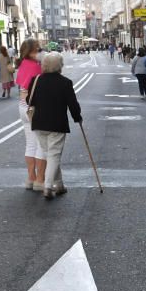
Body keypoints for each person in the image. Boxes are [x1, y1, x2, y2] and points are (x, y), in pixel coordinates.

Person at [27, 52, 83, 200]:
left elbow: (29, 100)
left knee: (50, 155)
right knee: (54, 155)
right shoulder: (65, 82)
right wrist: (77, 118)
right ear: (60, 66)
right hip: (57, 124)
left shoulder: (36, 80)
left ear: (44, 65)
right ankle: (48, 186)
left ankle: (59, 185)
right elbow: (73, 104)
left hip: (39, 123)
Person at [15, 39, 46, 191]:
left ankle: (30, 178)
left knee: (30, 144)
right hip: (34, 108)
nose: (40, 52)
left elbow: (21, 84)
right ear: (30, 51)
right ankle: (40, 181)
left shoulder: (22, 65)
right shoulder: (36, 67)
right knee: (41, 145)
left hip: (22, 107)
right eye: (38, 50)